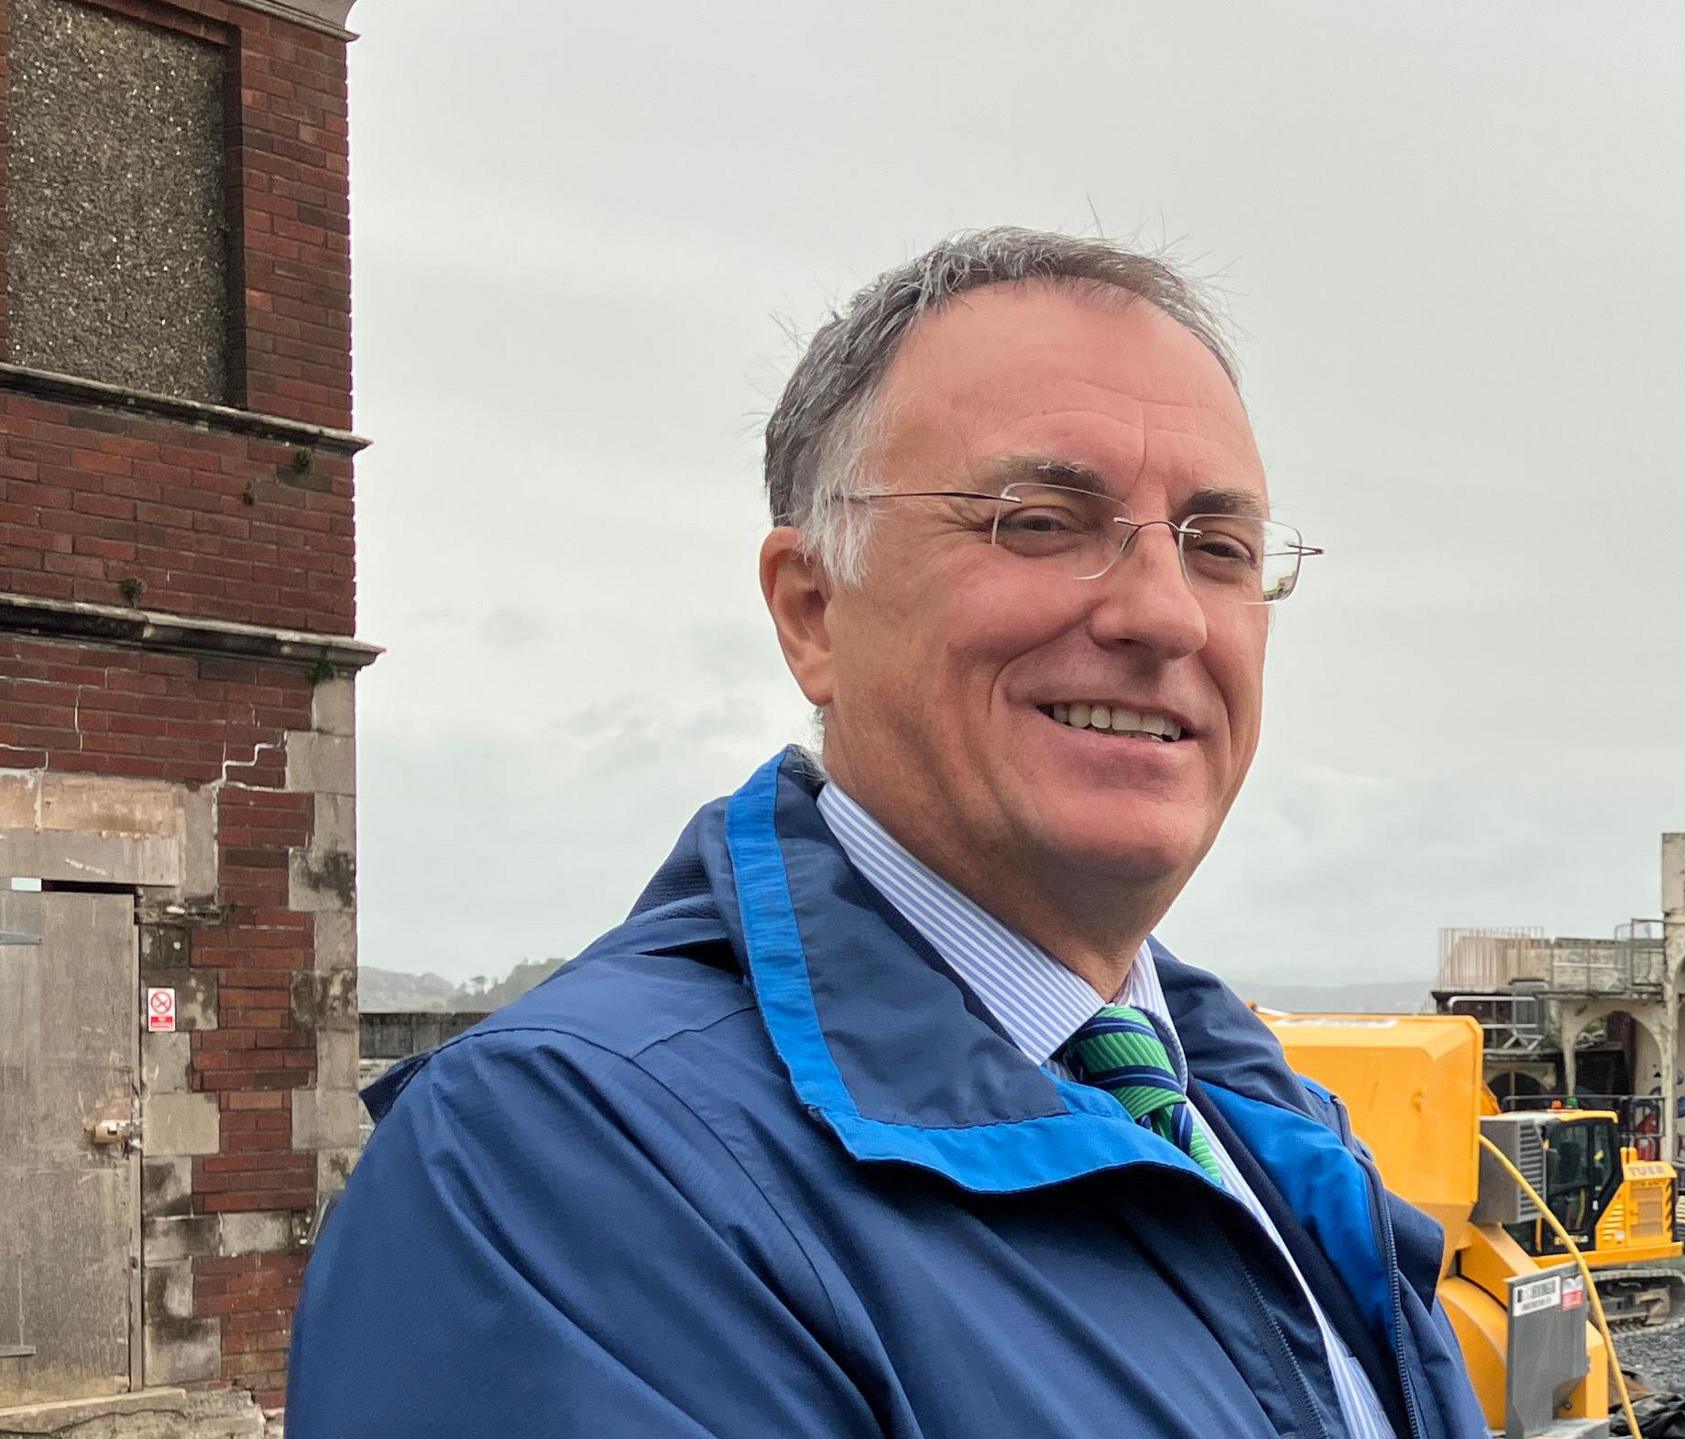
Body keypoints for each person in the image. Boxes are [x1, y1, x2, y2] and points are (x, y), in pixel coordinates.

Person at [288, 229, 1489, 1439]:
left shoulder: (1262, 1114)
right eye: (1040, 520)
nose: (1165, 614)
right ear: (812, 611)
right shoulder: (560, 1175)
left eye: (1218, 547)